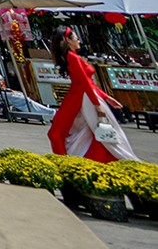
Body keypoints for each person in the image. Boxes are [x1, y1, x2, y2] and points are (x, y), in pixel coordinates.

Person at [48, 26, 140, 162]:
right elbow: (85, 82)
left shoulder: (73, 57)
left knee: (91, 131)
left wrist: (106, 98)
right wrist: (98, 104)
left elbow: (88, 83)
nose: (79, 40)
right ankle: (67, 162)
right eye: (76, 37)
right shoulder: (72, 57)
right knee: (64, 133)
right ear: (67, 40)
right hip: (82, 98)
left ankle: (69, 161)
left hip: (84, 97)